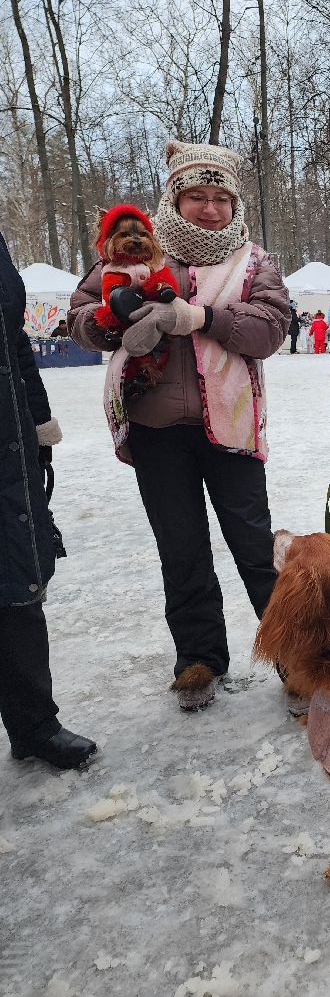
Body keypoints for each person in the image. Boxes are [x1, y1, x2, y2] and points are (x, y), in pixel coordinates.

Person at [69, 141, 291, 711]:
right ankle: (198, 658)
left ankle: (298, 655)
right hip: (155, 426)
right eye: (198, 196)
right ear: (176, 197)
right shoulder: (127, 256)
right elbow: (79, 318)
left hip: (232, 426)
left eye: (221, 197)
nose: (210, 208)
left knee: (254, 545)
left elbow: (271, 327)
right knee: (181, 546)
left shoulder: (254, 261)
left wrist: (203, 317)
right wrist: (109, 321)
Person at [0, 232, 97, 768]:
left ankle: (34, 722)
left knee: (17, 576)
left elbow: (13, 342)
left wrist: (38, 420)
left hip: (8, 433)